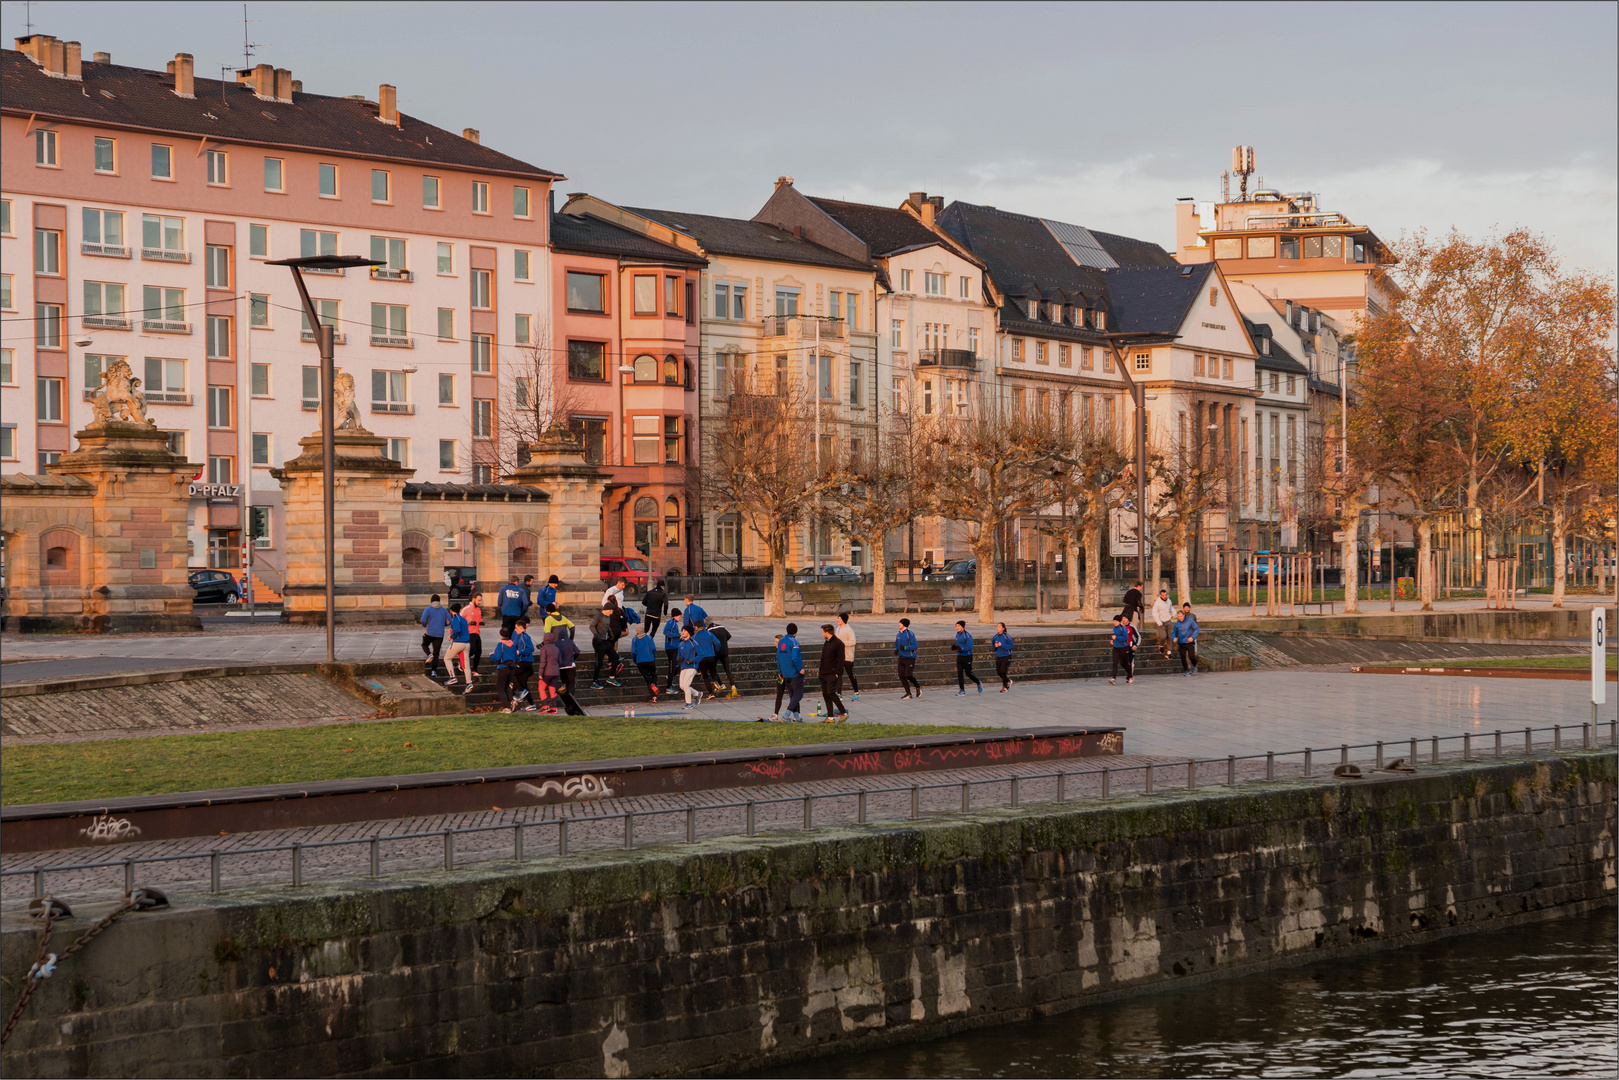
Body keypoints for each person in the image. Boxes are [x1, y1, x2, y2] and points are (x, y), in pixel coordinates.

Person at [774, 624, 807, 723]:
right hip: (794, 673)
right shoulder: (794, 642)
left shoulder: (781, 642)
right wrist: (800, 669)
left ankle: (797, 717)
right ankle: (786, 715)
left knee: (793, 696)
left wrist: (780, 671)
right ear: (796, 632)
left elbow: (778, 658)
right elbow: (795, 657)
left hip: (785, 673)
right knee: (798, 695)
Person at [818, 623, 849, 722]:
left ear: (827, 632)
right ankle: (830, 717)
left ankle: (843, 712)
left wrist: (836, 673)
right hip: (824, 673)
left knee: (831, 693)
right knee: (825, 694)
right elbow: (823, 658)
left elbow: (841, 660)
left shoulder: (838, 643)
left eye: (823, 632)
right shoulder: (827, 642)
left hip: (832, 674)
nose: (822, 634)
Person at [590, 606, 624, 688]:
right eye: (610, 611)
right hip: (598, 642)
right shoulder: (599, 616)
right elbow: (591, 626)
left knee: (615, 657)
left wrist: (611, 633)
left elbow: (607, 626)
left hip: (606, 641)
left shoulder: (608, 617)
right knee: (599, 662)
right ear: (606, 610)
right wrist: (596, 635)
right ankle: (594, 682)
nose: (611, 613)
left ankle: (611, 677)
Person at [554, 629, 585, 715]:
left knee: (565, 682)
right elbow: (578, 652)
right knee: (571, 683)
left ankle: (565, 696)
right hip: (570, 665)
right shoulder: (571, 642)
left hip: (560, 667)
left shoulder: (556, 643)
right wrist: (573, 659)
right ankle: (571, 698)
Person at [490, 627, 521, 713]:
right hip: (511, 668)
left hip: (502, 668)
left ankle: (506, 707)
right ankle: (512, 701)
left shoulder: (501, 644)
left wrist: (491, 655)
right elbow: (517, 657)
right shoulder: (513, 645)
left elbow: (496, 658)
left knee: (500, 688)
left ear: (500, 635)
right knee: (507, 686)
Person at [443, 603, 472, 689]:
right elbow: (462, 629)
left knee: (447, 658)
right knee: (465, 665)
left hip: (458, 643)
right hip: (467, 643)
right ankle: (469, 683)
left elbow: (457, 629)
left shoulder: (455, 618)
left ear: (451, 611)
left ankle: (452, 677)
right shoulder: (463, 619)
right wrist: (453, 631)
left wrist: (451, 636)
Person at [419, 594, 449, 677]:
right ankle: (433, 671)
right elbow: (449, 620)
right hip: (440, 634)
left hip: (430, 632)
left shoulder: (428, 609)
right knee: (436, 653)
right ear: (439, 601)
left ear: (431, 601)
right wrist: (444, 625)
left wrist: (425, 625)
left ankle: (429, 654)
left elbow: (422, 620)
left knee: (424, 644)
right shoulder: (443, 610)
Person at [533, 631, 563, 714]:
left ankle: (545, 705)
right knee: (552, 689)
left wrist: (540, 673)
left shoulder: (544, 649)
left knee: (541, 688)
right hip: (556, 672)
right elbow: (560, 661)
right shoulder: (556, 648)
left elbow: (543, 662)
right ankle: (554, 707)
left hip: (547, 672)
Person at [692, 620, 722, 699]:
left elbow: (692, 647)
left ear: (696, 627)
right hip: (711, 656)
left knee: (705, 676)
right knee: (713, 671)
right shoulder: (709, 633)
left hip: (702, 658)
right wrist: (716, 650)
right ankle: (715, 681)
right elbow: (718, 643)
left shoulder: (694, 637)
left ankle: (710, 693)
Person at [630, 625, 661, 700]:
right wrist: (653, 657)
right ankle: (654, 695)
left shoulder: (634, 640)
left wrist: (635, 660)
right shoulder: (649, 638)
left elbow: (633, 652)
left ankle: (651, 687)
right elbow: (653, 648)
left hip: (640, 662)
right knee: (654, 675)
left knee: (647, 678)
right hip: (650, 660)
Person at [707, 616, 737, 694]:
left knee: (713, 669)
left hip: (716, 652)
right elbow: (729, 635)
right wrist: (724, 642)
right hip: (725, 651)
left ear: (707, 624)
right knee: (727, 669)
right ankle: (733, 685)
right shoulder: (722, 627)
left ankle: (721, 684)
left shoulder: (709, 630)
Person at [834, 611, 859, 700]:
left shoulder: (849, 629)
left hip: (848, 656)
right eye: (838, 618)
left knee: (850, 674)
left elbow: (853, 642)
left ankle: (856, 691)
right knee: (838, 675)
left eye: (840, 618)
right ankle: (839, 693)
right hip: (839, 657)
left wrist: (841, 643)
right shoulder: (837, 629)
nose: (838, 620)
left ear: (843, 620)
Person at [676, 627, 703, 709]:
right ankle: (697, 694)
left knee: (686, 685)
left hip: (692, 667)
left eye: (685, 631)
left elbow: (701, 655)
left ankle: (689, 703)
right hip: (683, 667)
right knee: (682, 686)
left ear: (689, 632)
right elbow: (678, 656)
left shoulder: (693, 643)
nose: (683, 632)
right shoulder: (680, 644)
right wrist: (679, 658)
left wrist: (691, 660)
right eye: (682, 631)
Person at [953, 620, 981, 695]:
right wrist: (955, 647)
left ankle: (978, 682)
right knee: (959, 673)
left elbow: (970, 646)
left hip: (967, 656)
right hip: (959, 656)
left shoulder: (967, 635)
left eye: (958, 626)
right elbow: (959, 645)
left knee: (968, 673)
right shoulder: (957, 635)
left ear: (962, 626)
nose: (957, 627)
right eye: (956, 626)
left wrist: (961, 649)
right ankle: (962, 690)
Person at [512, 618, 537, 706]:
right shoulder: (520, 637)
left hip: (525, 662)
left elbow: (531, 648)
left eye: (516, 628)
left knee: (511, 674)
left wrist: (520, 652)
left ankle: (520, 691)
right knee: (523, 683)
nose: (515, 630)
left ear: (521, 627)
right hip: (524, 662)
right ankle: (531, 704)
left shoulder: (525, 636)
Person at [894, 618, 921, 699]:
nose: (899, 624)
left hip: (910, 657)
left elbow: (915, 646)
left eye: (900, 623)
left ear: (904, 624)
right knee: (901, 676)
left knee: (908, 675)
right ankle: (908, 693)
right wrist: (896, 650)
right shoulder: (898, 634)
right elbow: (896, 644)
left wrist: (905, 648)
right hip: (901, 657)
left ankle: (917, 686)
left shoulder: (910, 634)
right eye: (899, 623)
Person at [1174, 604, 1201, 675]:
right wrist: (1174, 637)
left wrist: (1192, 637)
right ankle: (1186, 670)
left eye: (1181, 616)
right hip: (1181, 642)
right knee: (1183, 656)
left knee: (1191, 656)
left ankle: (1194, 666)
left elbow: (1196, 629)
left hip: (1189, 641)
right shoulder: (1177, 624)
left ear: (1183, 615)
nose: (1180, 618)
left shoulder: (1190, 621)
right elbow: (1174, 632)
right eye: (1178, 616)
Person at [1108, 614, 1135, 685]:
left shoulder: (1123, 628)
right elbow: (1114, 636)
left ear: (1119, 622)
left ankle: (1130, 676)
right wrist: (1112, 640)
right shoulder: (1114, 628)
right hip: (1116, 648)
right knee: (1115, 662)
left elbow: (1125, 637)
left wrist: (1116, 638)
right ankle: (1114, 678)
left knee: (1125, 663)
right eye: (1114, 621)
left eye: (1116, 621)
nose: (1115, 622)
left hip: (1123, 648)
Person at [662, 607, 683, 691]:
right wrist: (676, 635)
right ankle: (668, 686)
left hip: (675, 647)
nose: (680, 617)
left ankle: (671, 676)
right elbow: (665, 631)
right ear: (676, 616)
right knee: (672, 666)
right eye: (679, 616)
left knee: (679, 663)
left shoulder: (675, 623)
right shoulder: (671, 622)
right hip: (671, 648)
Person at [464, 592, 484, 677]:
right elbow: (459, 620)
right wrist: (468, 623)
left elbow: (479, 620)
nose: (480, 602)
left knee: (479, 651)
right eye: (478, 600)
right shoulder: (466, 609)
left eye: (480, 601)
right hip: (469, 633)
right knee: (473, 649)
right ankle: (462, 662)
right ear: (474, 599)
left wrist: (481, 622)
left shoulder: (478, 610)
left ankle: (474, 669)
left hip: (476, 632)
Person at [1151, 588, 1175, 658]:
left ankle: (1169, 652)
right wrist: (1159, 622)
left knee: (1170, 637)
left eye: (1165, 595)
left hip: (1168, 621)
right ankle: (1161, 645)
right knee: (1163, 636)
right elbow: (1154, 613)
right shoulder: (1157, 603)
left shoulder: (1169, 601)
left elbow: (1171, 608)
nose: (1165, 596)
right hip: (1161, 622)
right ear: (1160, 595)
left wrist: (1173, 614)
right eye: (1163, 595)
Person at [991, 621, 1015, 692]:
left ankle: (1004, 687)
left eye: (999, 627)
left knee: (1003, 671)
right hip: (999, 656)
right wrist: (995, 646)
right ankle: (1008, 681)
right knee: (999, 672)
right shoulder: (995, 637)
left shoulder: (1006, 636)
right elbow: (994, 647)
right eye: (997, 627)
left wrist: (1002, 645)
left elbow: (1011, 646)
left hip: (1006, 656)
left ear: (1003, 628)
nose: (997, 628)